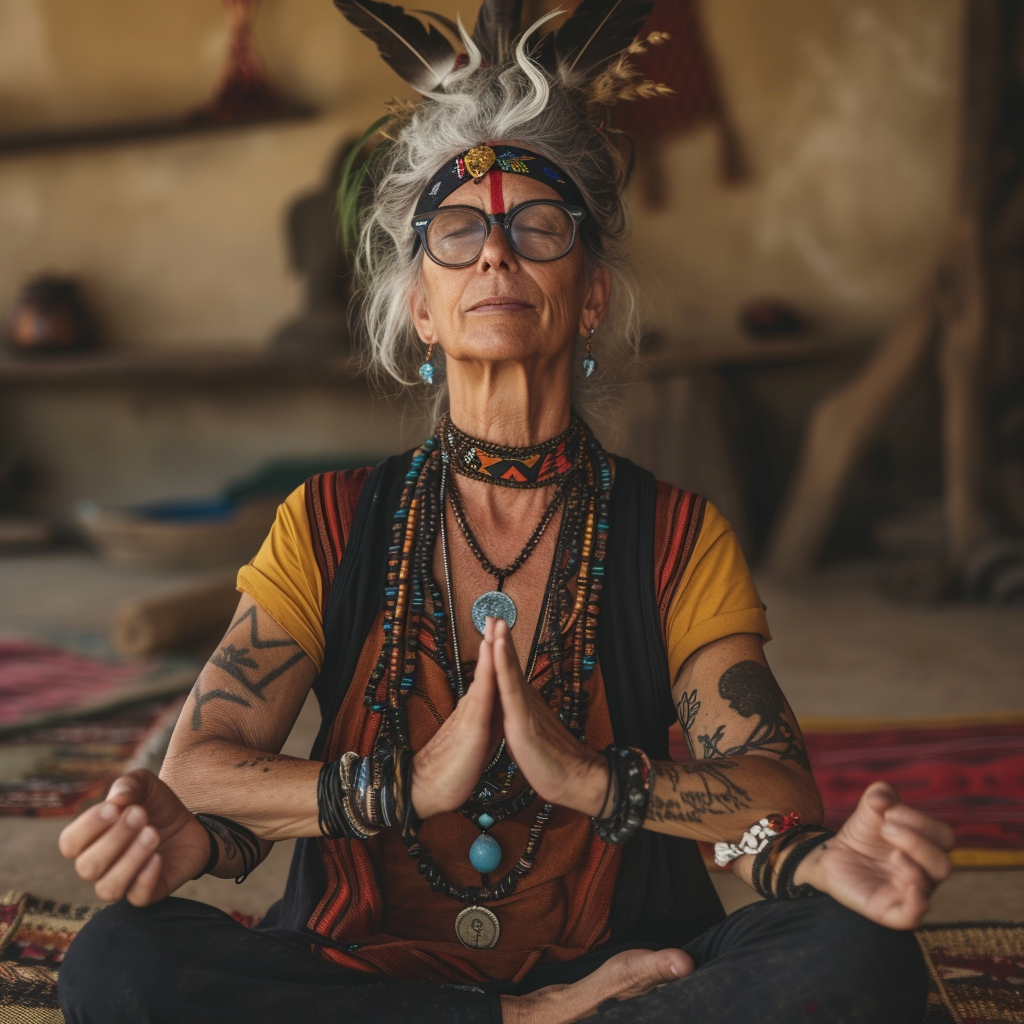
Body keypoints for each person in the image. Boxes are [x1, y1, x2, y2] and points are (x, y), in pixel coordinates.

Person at [56, 3, 955, 1021]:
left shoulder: (674, 534)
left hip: (629, 958)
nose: (494, 253)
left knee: (857, 951)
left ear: (591, 299)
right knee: (118, 964)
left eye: (537, 226)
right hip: (372, 967)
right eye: (455, 231)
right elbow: (200, 770)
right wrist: (403, 786)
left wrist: (585, 778)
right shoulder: (328, 519)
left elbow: (771, 794)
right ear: (420, 310)